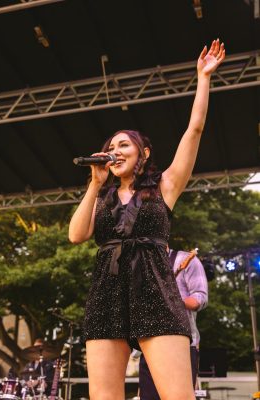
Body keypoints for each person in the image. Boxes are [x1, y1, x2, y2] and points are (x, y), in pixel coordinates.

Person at [69, 39, 225, 400]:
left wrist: (203, 78)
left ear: (144, 153)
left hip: (155, 292)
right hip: (107, 296)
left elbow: (194, 131)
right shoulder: (103, 196)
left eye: (124, 144)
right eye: (112, 146)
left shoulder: (164, 186)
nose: (115, 150)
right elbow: (77, 235)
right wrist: (94, 185)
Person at [139, 249, 208, 399]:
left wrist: (171, 300)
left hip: (181, 346)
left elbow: (199, 298)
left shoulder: (185, 260)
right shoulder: (139, 264)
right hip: (148, 344)